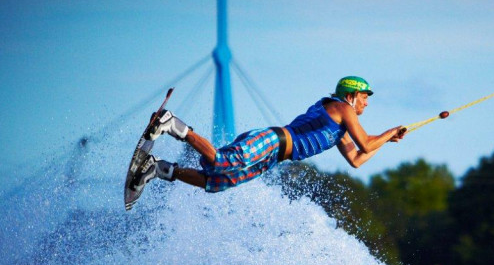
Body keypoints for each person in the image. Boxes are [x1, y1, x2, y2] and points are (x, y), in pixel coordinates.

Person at [134, 76, 407, 193]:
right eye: (363, 97)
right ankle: (171, 124)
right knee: (221, 163)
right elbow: (367, 142)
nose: (366, 103)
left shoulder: (339, 129)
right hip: (273, 140)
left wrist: (387, 141)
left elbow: (358, 158)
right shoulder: (341, 107)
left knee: (217, 183)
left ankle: (158, 169)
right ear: (350, 96)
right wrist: (390, 131)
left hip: (274, 157)